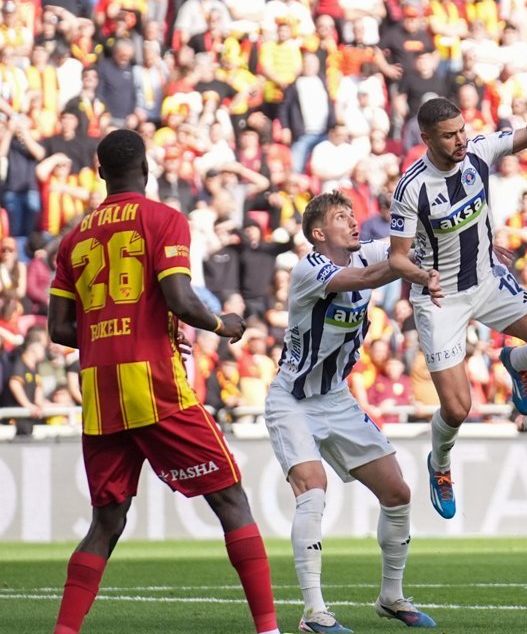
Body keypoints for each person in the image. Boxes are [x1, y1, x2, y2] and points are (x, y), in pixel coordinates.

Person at [47, 130, 280, 634]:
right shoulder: (164, 219)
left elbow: (60, 329)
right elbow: (179, 297)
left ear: (100, 172)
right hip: (153, 383)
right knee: (230, 497)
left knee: (107, 521)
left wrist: (116, 330)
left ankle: (64, 631)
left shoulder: (74, 237)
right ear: (146, 169)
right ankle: (269, 628)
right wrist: (223, 324)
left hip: (100, 390)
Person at [266, 191, 442, 633]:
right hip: (292, 400)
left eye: (352, 214)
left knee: (397, 492)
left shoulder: (367, 252)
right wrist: (409, 264)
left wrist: (470, 247)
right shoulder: (309, 269)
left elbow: (412, 241)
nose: (352, 221)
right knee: (313, 489)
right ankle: (313, 613)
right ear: (318, 233)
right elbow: (367, 277)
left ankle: (391, 597)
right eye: (341, 217)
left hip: (337, 399)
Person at [388, 98, 527, 518]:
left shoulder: (478, 151)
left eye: (462, 130)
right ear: (427, 139)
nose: (461, 140)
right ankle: (440, 464)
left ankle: (516, 361)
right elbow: (397, 258)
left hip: (487, 282)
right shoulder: (412, 188)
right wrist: (423, 275)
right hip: (440, 299)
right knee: (458, 408)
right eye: (449, 135)